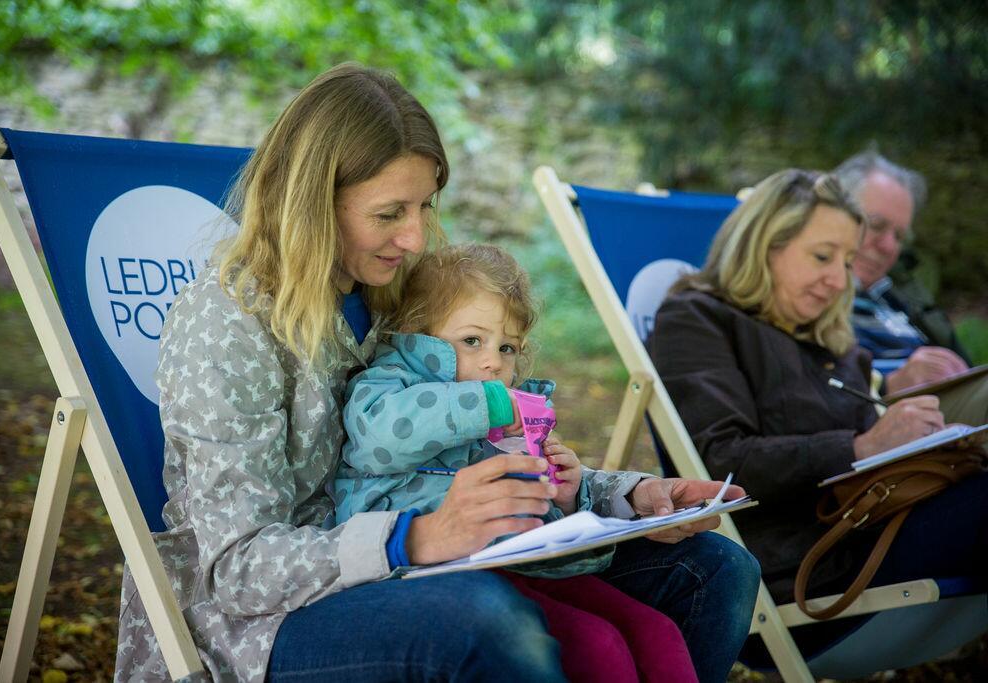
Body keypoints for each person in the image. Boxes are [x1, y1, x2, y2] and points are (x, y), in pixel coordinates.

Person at [113, 63, 760, 683]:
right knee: (490, 620)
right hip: (264, 623)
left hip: (425, 564)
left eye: (424, 206)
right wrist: (414, 537)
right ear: (312, 201)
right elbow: (239, 567)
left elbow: (457, 459)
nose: (418, 237)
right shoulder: (229, 320)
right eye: (390, 213)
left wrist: (624, 496)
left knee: (714, 570)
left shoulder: (394, 293)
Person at [649, 169, 988, 654]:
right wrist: (864, 445)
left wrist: (929, 443)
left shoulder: (827, 338)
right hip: (811, 573)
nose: (839, 280)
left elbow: (868, 464)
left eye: (846, 260)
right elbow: (720, 462)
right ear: (765, 245)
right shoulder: (698, 320)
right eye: (822, 256)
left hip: (875, 530)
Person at [335, 243, 698, 683]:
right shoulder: (386, 385)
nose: (494, 362)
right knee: (597, 645)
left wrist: (563, 496)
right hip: (424, 573)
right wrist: (488, 403)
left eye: (508, 347)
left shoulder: (503, 421)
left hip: (514, 560)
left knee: (654, 632)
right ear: (417, 334)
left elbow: (531, 509)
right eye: (472, 340)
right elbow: (383, 438)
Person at [834, 151, 972, 395]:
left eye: (899, 236)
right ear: (831, 214)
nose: (888, 247)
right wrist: (889, 384)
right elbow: (810, 389)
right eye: (876, 225)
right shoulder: (808, 296)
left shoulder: (903, 295)